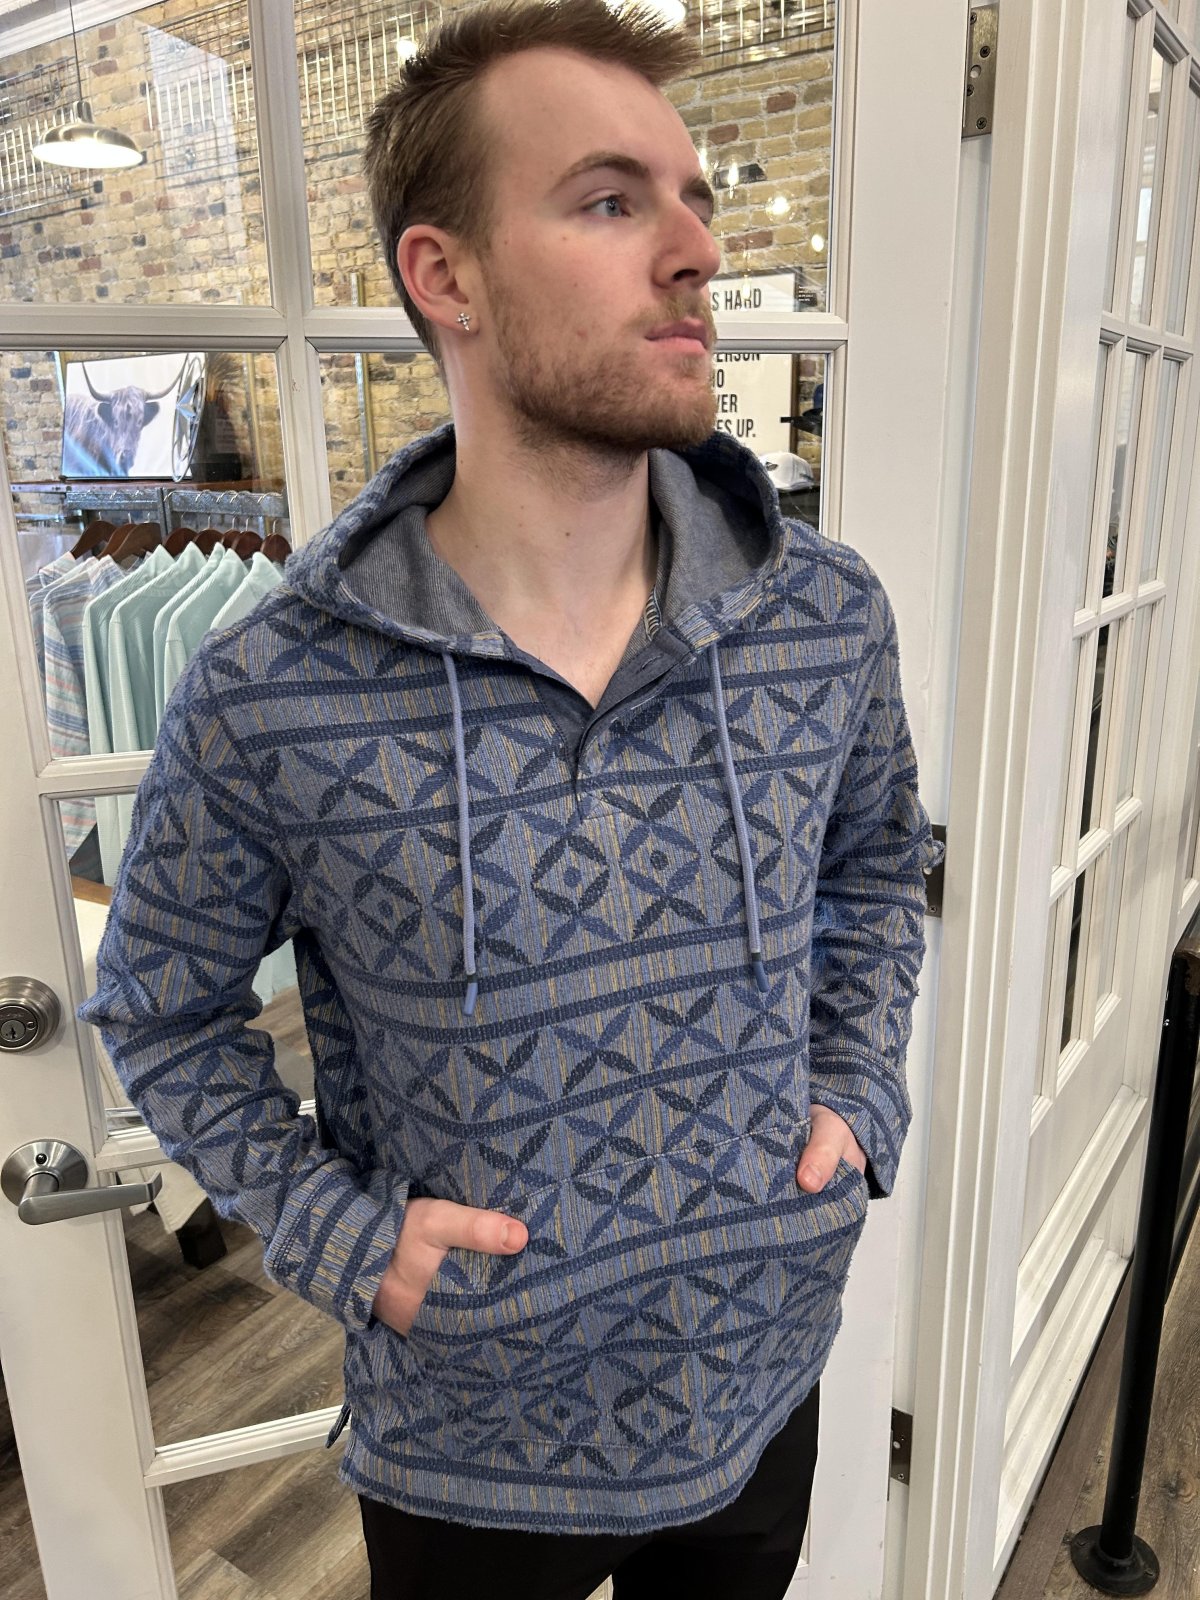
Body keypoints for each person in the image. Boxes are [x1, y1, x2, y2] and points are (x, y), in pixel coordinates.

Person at [80, 2, 942, 1595]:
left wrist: (858, 1091)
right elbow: (158, 1008)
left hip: (761, 1382)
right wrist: (341, 1236)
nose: (697, 251)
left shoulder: (824, 618)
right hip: (463, 1444)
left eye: (692, 200)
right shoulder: (272, 689)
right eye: (611, 201)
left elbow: (881, 868)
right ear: (447, 276)